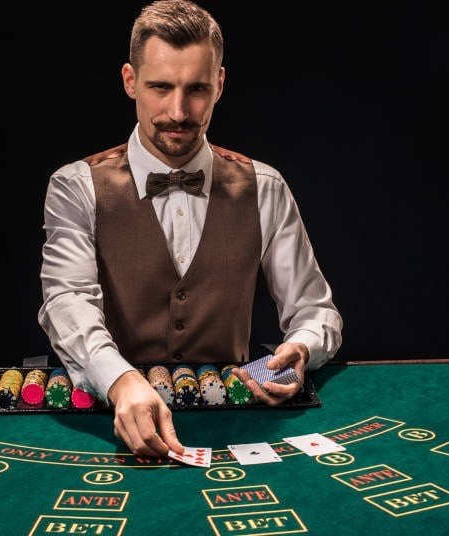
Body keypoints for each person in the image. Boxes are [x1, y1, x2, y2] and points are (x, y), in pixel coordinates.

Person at [37, 0, 342, 457]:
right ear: (129, 81)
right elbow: (67, 300)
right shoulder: (75, 185)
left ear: (219, 84)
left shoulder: (266, 187)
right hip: (114, 414)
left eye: (196, 89)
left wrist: (300, 348)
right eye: (160, 87)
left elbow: (317, 312)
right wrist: (120, 381)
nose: (178, 112)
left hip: (236, 421)